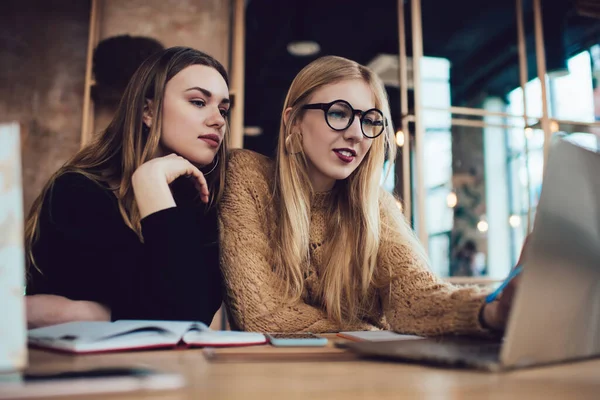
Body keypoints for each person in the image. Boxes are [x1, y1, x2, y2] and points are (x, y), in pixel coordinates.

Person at [219, 55, 517, 335]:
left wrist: (490, 310)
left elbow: (415, 296)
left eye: (370, 121)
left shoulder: (376, 205)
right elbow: (261, 313)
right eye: (338, 113)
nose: (357, 134)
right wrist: (365, 331)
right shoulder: (248, 176)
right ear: (294, 120)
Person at [25, 47, 230, 328]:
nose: (218, 120)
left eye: (223, 109)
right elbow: (174, 315)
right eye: (198, 102)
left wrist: (151, 184)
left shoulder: (206, 200)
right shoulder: (78, 190)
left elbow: (189, 316)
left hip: (177, 369)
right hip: (79, 368)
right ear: (148, 110)